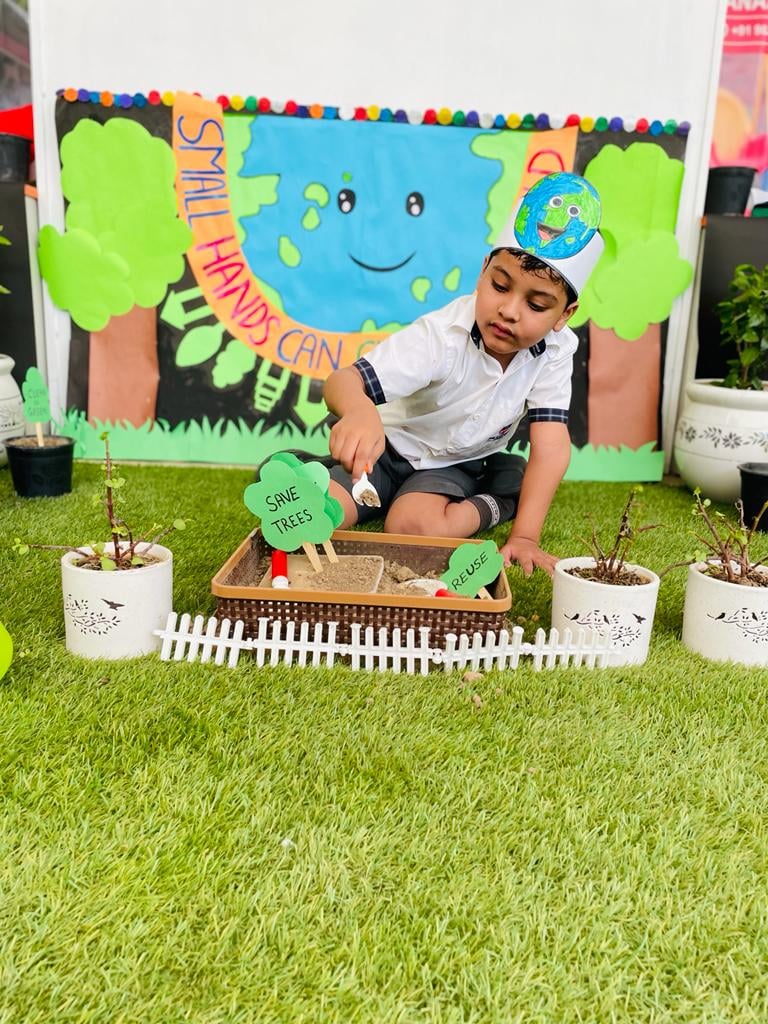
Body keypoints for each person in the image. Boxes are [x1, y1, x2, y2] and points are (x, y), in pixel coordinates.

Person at [323, 171, 604, 576]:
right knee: (321, 512)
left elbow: (551, 444)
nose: (509, 311)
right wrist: (359, 410)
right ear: (483, 271)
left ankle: (501, 494)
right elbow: (342, 381)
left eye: (537, 305)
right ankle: (338, 478)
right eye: (500, 286)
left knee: (411, 528)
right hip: (386, 450)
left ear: (564, 315)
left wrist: (525, 536)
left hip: (457, 462)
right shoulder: (441, 336)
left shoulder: (555, 351)